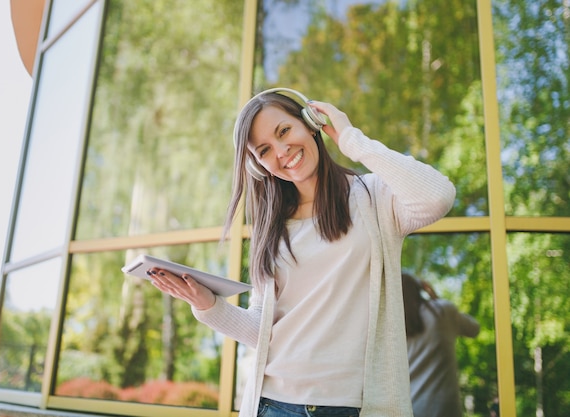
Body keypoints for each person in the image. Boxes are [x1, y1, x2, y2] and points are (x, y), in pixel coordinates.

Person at [146, 88, 456, 417]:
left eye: (284, 131)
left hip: (351, 407)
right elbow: (261, 331)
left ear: (309, 123)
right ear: (258, 166)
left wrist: (350, 138)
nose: (282, 151)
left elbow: (437, 197)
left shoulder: (374, 199)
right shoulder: (272, 229)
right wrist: (206, 305)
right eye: (264, 150)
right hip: (274, 404)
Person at [401, 272, 480, 417]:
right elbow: (474, 328)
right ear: (419, 289)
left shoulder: (391, 328)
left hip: (410, 410)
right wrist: (436, 300)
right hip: (445, 410)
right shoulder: (441, 312)